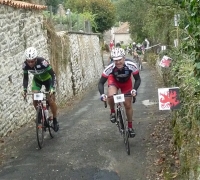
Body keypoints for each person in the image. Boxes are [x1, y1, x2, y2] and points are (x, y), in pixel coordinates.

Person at [98, 47, 141, 137]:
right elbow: (101, 83)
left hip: (126, 82)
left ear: (124, 58)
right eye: (115, 60)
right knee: (111, 95)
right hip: (114, 81)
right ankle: (113, 112)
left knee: (128, 105)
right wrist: (102, 95)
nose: (118, 62)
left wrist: (134, 90)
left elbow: (137, 79)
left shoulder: (131, 65)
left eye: (120, 59)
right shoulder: (110, 67)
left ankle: (130, 127)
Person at [22, 47, 59, 132]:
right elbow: (25, 78)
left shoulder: (43, 62)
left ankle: (55, 119)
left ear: (35, 59)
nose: (30, 63)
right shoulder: (25, 65)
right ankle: (40, 114)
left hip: (48, 80)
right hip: (37, 81)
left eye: (32, 61)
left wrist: (52, 88)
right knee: (35, 98)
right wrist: (24, 90)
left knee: (51, 100)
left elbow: (53, 75)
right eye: (28, 61)